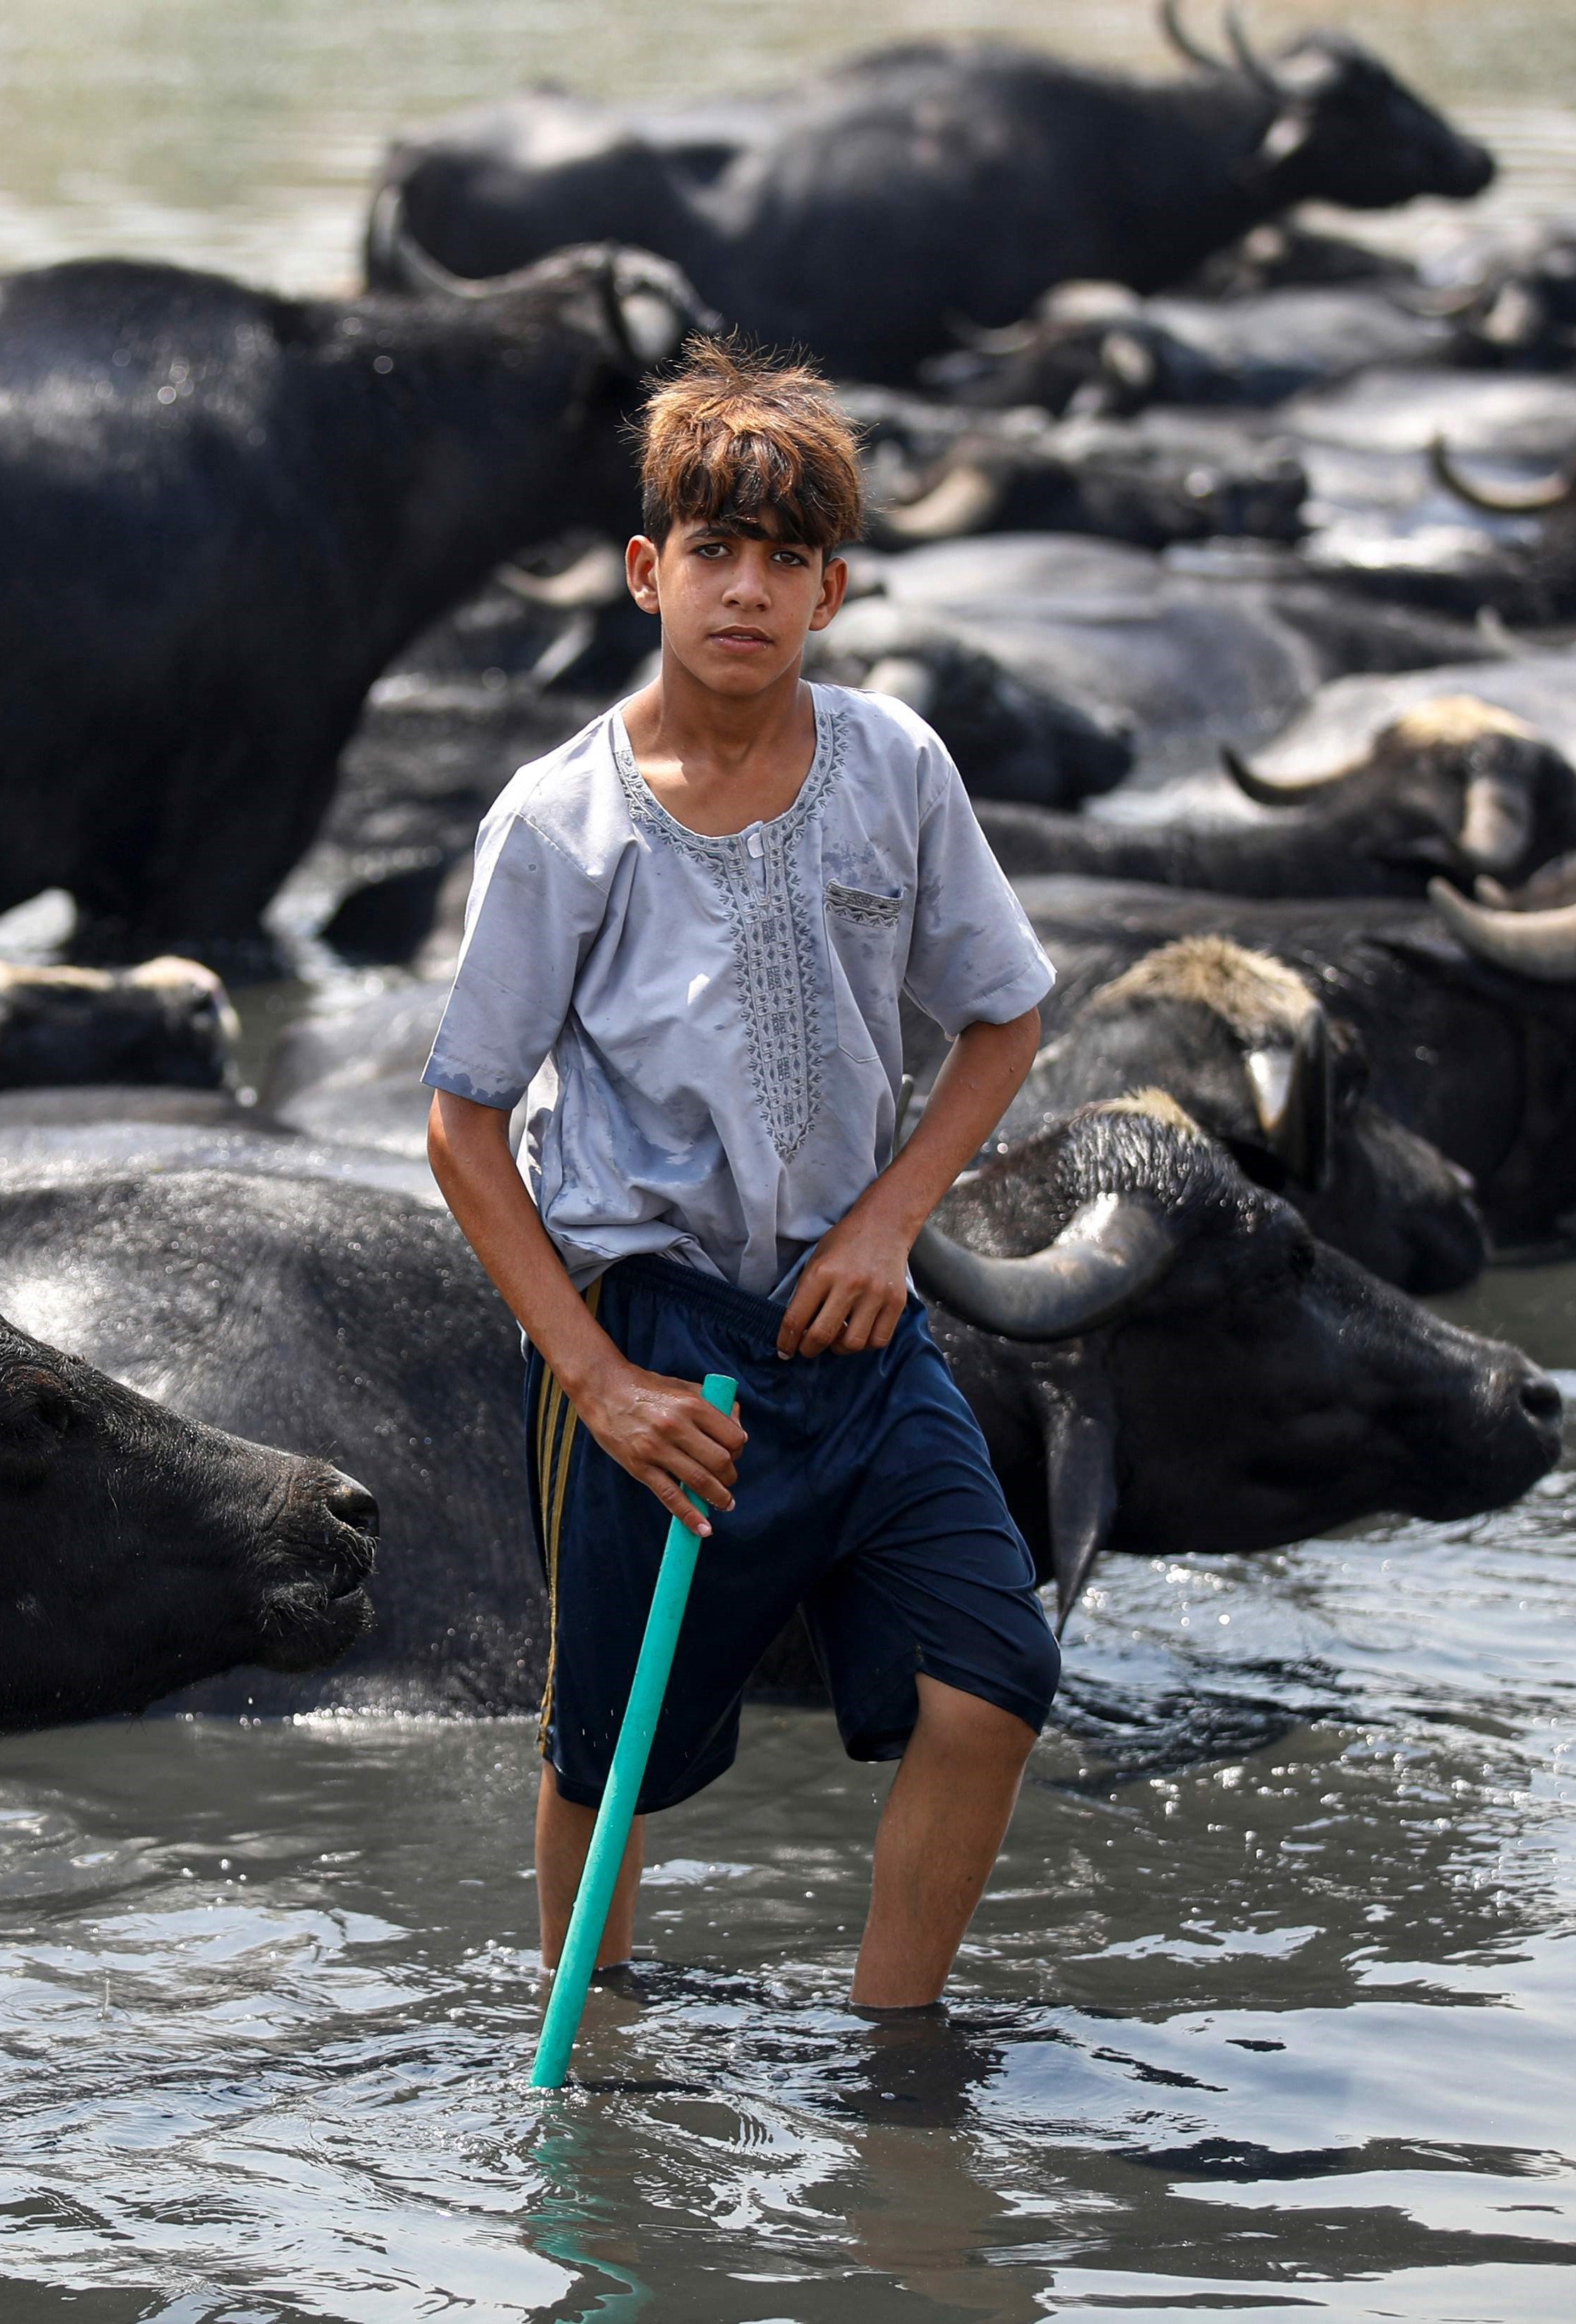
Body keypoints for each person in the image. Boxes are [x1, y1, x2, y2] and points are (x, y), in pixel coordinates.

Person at [421, 342, 1062, 2014]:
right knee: (604, 1754)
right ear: (647, 572)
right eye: (714, 551)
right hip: (659, 1332)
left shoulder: (893, 767)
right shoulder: (560, 823)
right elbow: (462, 1120)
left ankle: (889, 2038)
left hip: (853, 1322)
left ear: (833, 592)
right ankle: (603, 2038)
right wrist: (602, 1381)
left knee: (993, 1673)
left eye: (787, 561)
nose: (746, 591)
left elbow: (1003, 1013)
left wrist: (888, 1217)